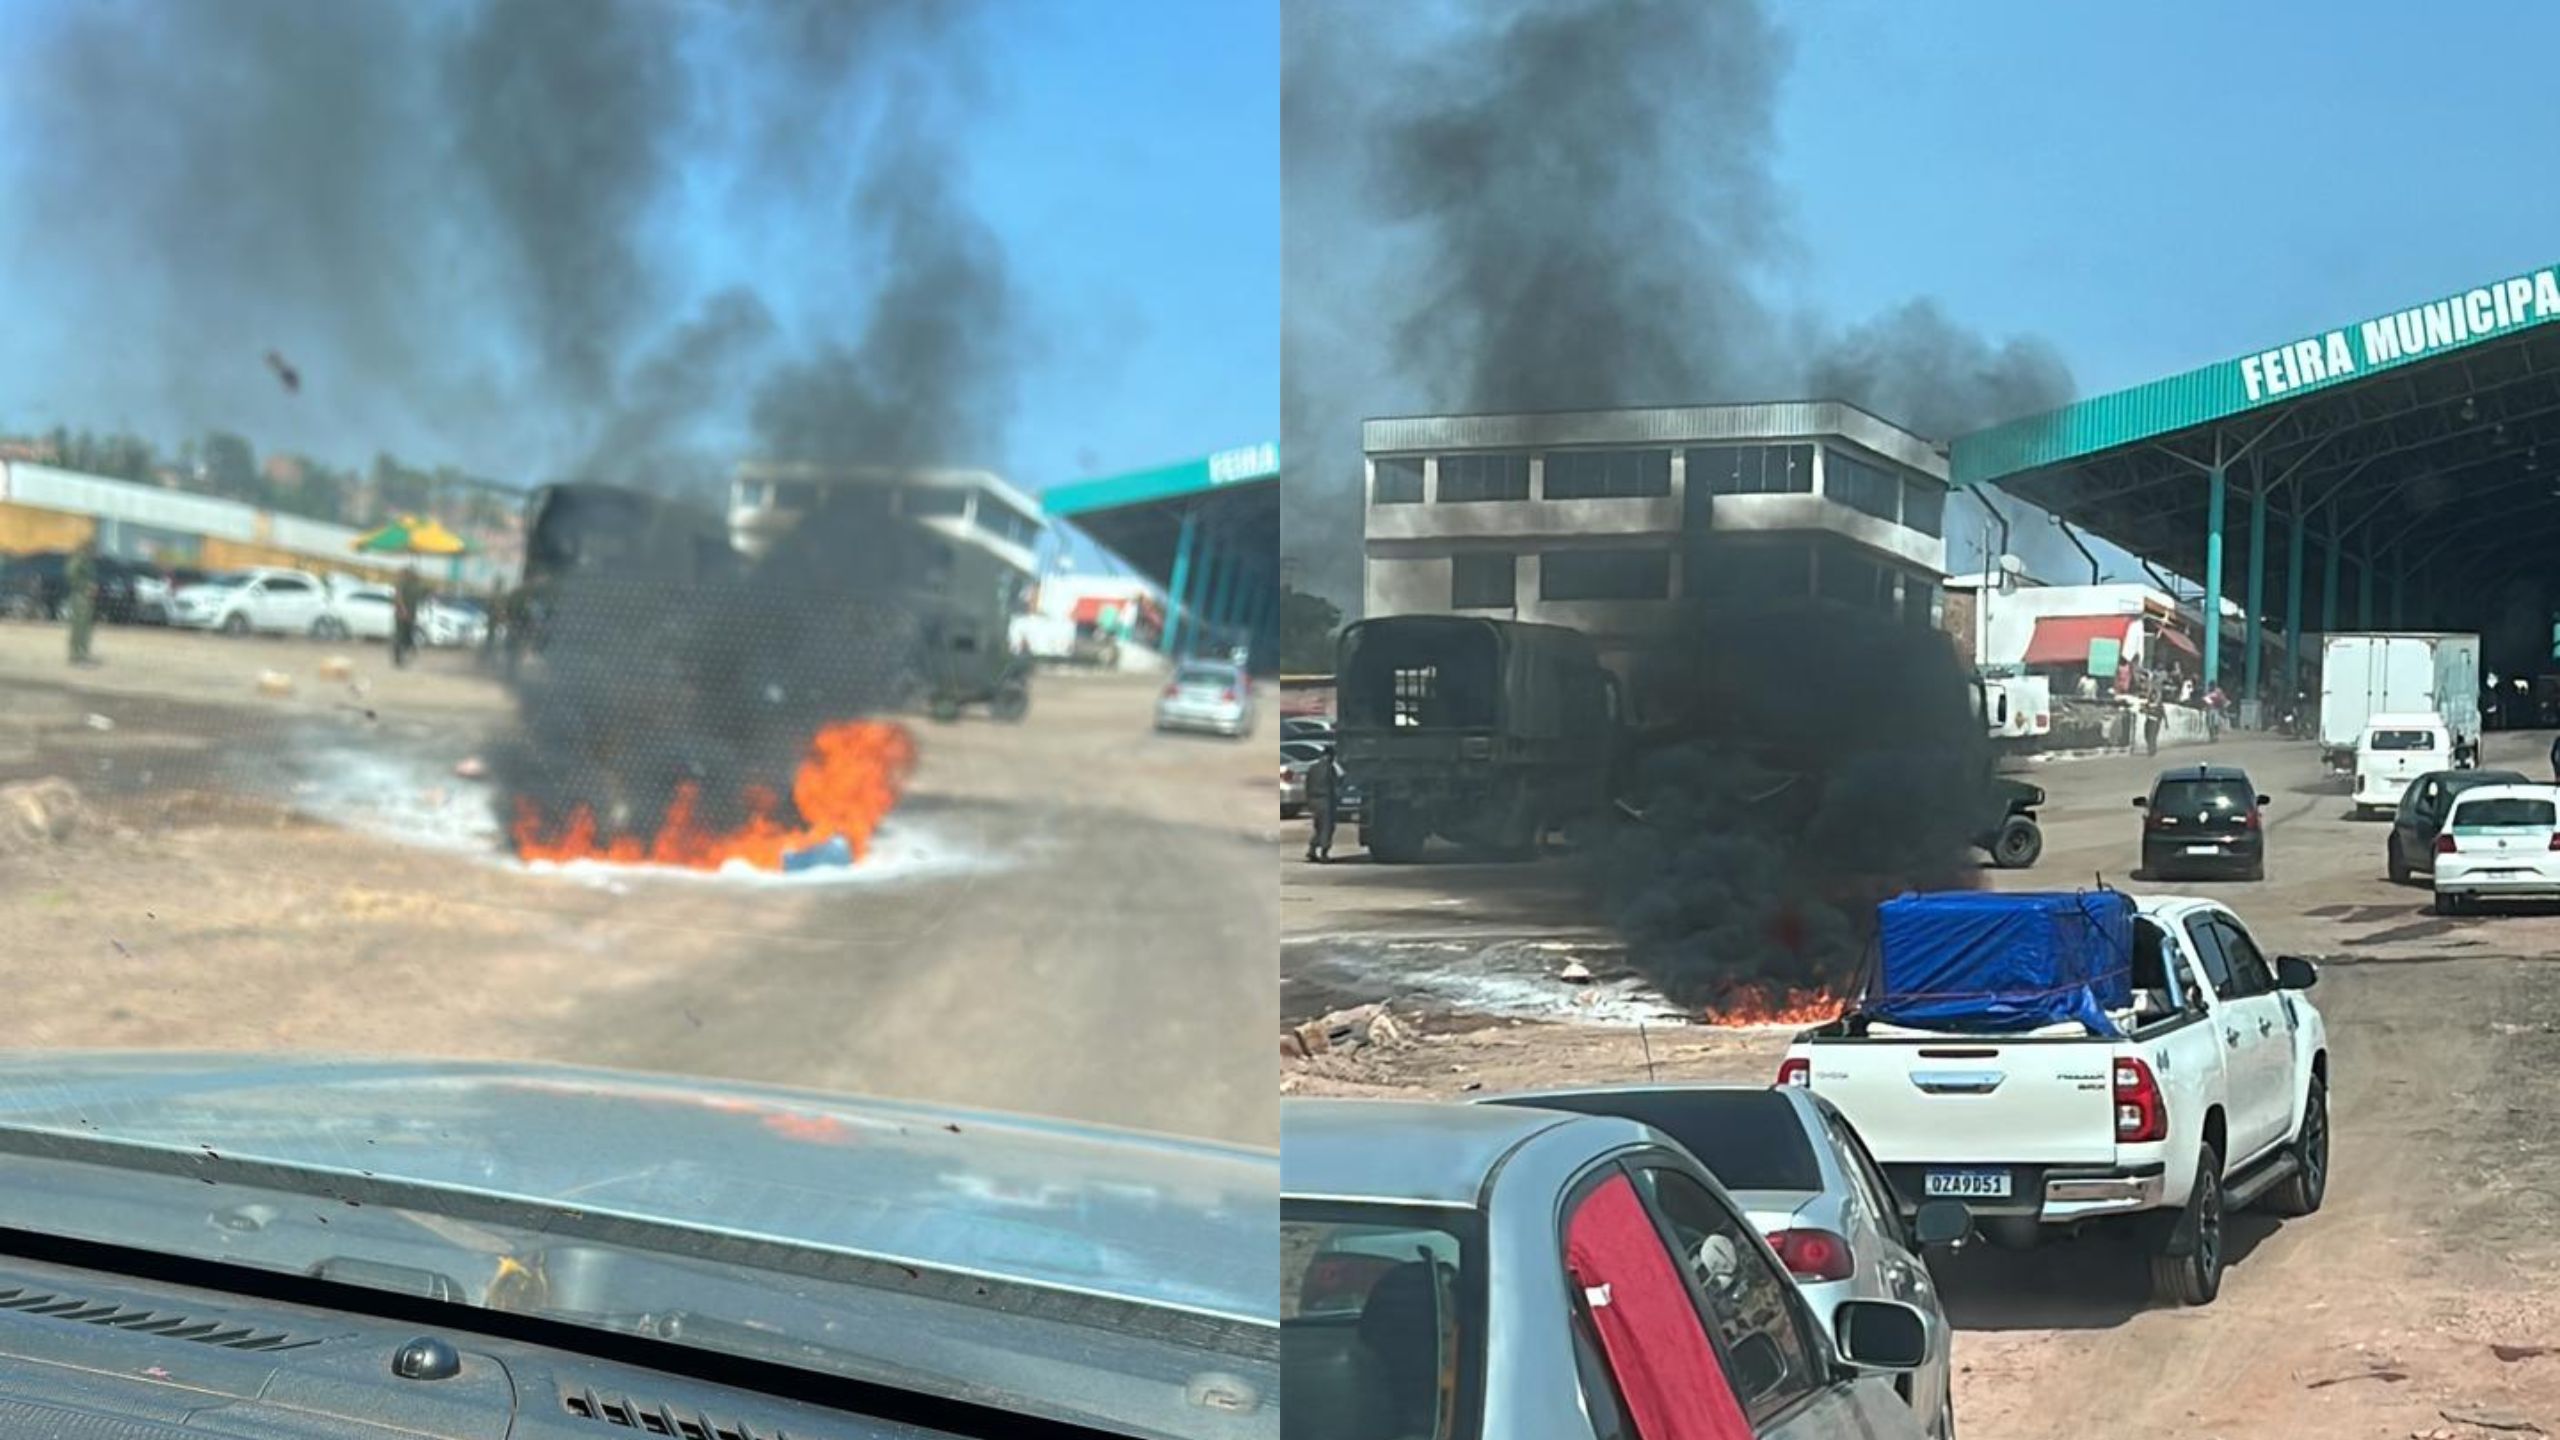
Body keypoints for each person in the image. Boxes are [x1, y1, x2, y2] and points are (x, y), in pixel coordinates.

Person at [1305, 747, 1343, 863]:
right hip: (1326, 801)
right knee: (1327, 828)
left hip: (1313, 801)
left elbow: (1307, 785)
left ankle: (1312, 850)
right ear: (1330, 756)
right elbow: (1334, 786)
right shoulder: (1329, 769)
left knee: (1318, 827)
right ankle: (1324, 854)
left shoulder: (1312, 768)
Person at [63, 538, 96, 666]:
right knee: (79, 626)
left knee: (85, 626)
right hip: (80, 597)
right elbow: (71, 575)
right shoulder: (79, 559)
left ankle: (82, 653)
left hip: (86, 597)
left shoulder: (87, 560)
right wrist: (85, 586)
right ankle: (76, 654)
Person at [392, 568, 426, 668]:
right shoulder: (402, 583)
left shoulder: (416, 585)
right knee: (399, 636)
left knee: (407, 636)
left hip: (411, 615)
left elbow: (420, 597)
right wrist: (403, 610)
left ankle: (405, 655)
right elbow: (398, 597)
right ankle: (398, 659)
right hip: (402, 615)